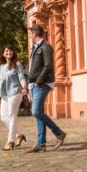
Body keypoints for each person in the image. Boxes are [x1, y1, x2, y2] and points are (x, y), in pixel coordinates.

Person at [27, 24, 66, 152]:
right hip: (35, 84)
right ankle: (41, 144)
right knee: (39, 114)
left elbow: (48, 65)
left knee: (36, 112)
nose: (30, 36)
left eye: (31, 33)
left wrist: (38, 81)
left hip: (42, 84)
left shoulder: (45, 47)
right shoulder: (36, 48)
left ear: (35, 34)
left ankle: (58, 133)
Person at [0, 45, 27, 151]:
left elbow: (21, 77)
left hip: (15, 92)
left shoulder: (17, 64)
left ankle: (10, 141)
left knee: (11, 115)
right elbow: (1, 79)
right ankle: (19, 135)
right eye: (6, 51)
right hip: (5, 93)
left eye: (10, 50)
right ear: (3, 53)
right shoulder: (2, 67)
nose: (9, 52)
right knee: (3, 117)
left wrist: (24, 87)